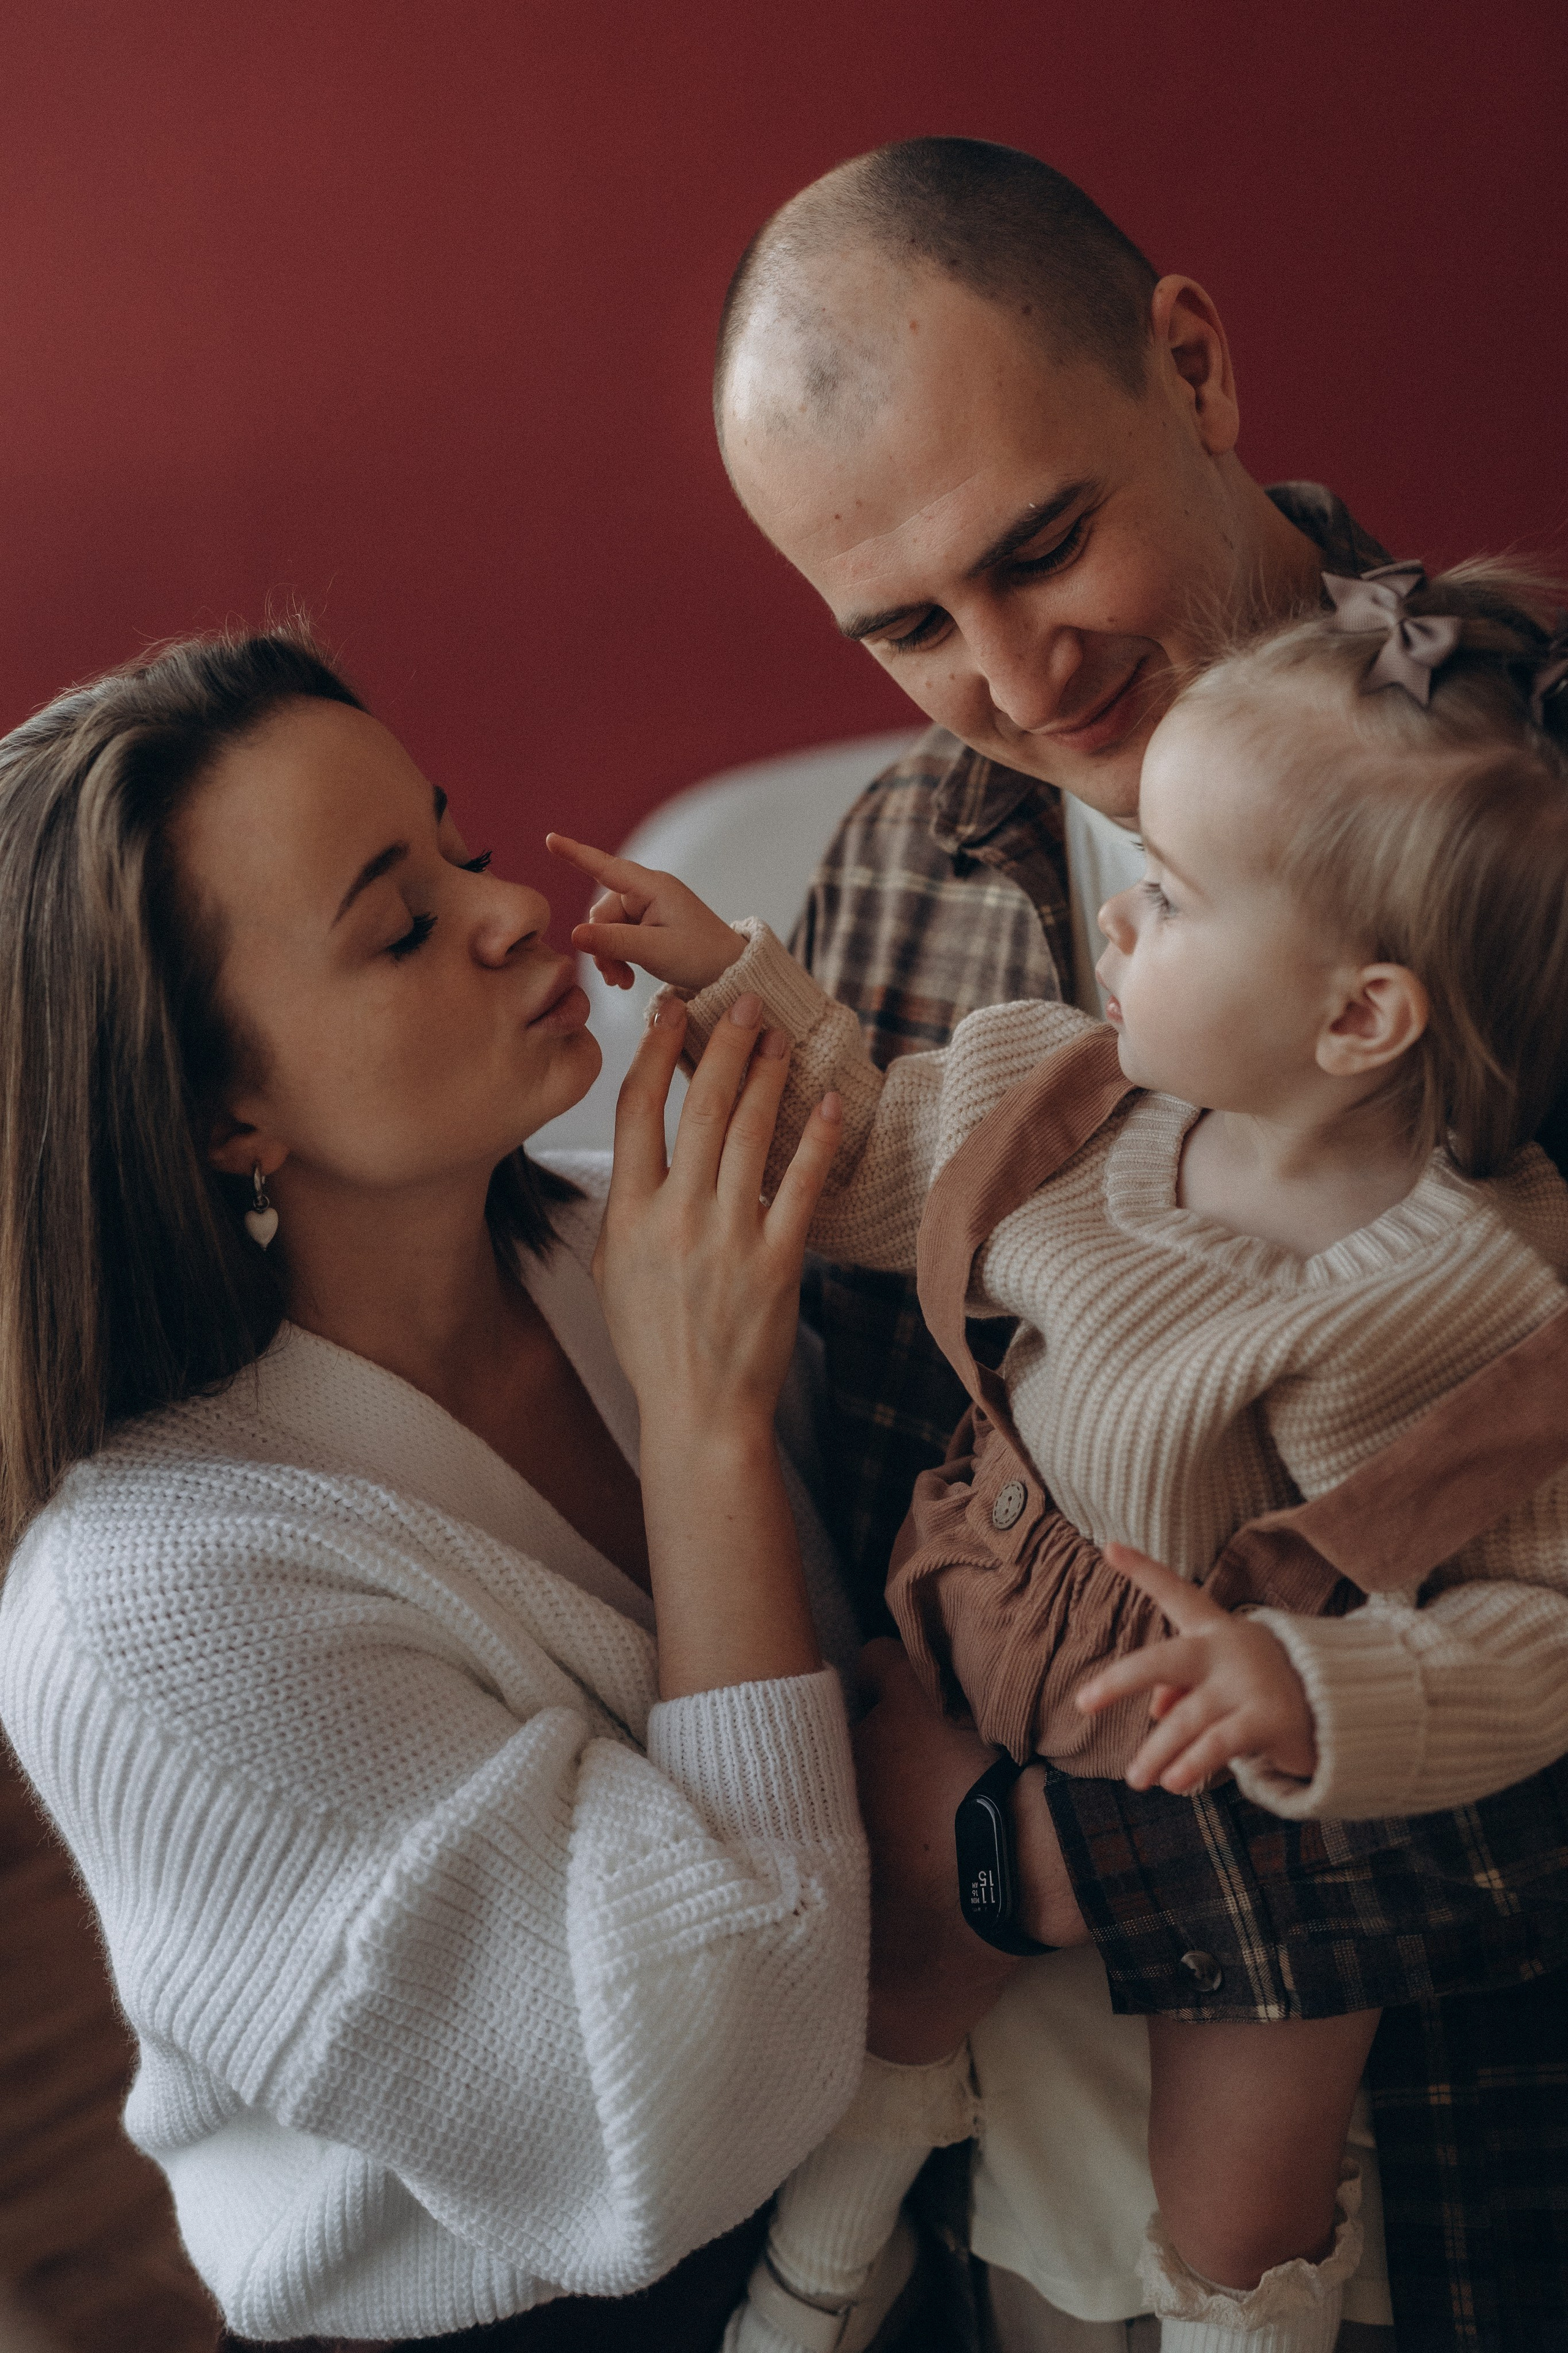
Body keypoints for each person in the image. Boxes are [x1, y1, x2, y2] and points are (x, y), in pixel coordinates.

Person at [697, 137, 1568, 2348]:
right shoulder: (898, 870)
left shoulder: (1529, 826)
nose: (1009, 670)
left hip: (1493, 2120)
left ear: (1193, 362)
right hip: (1030, 2154)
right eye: (904, 623)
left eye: (1040, 541)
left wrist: (1052, 1854)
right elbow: (888, 1449)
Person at [0, 629, 870, 2351]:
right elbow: (710, 2090)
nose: (509, 911)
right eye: (400, 924)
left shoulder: (609, 1251)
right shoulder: (145, 1611)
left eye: (459, 843)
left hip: (892, 2217)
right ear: (217, 1111)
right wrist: (704, 1434)